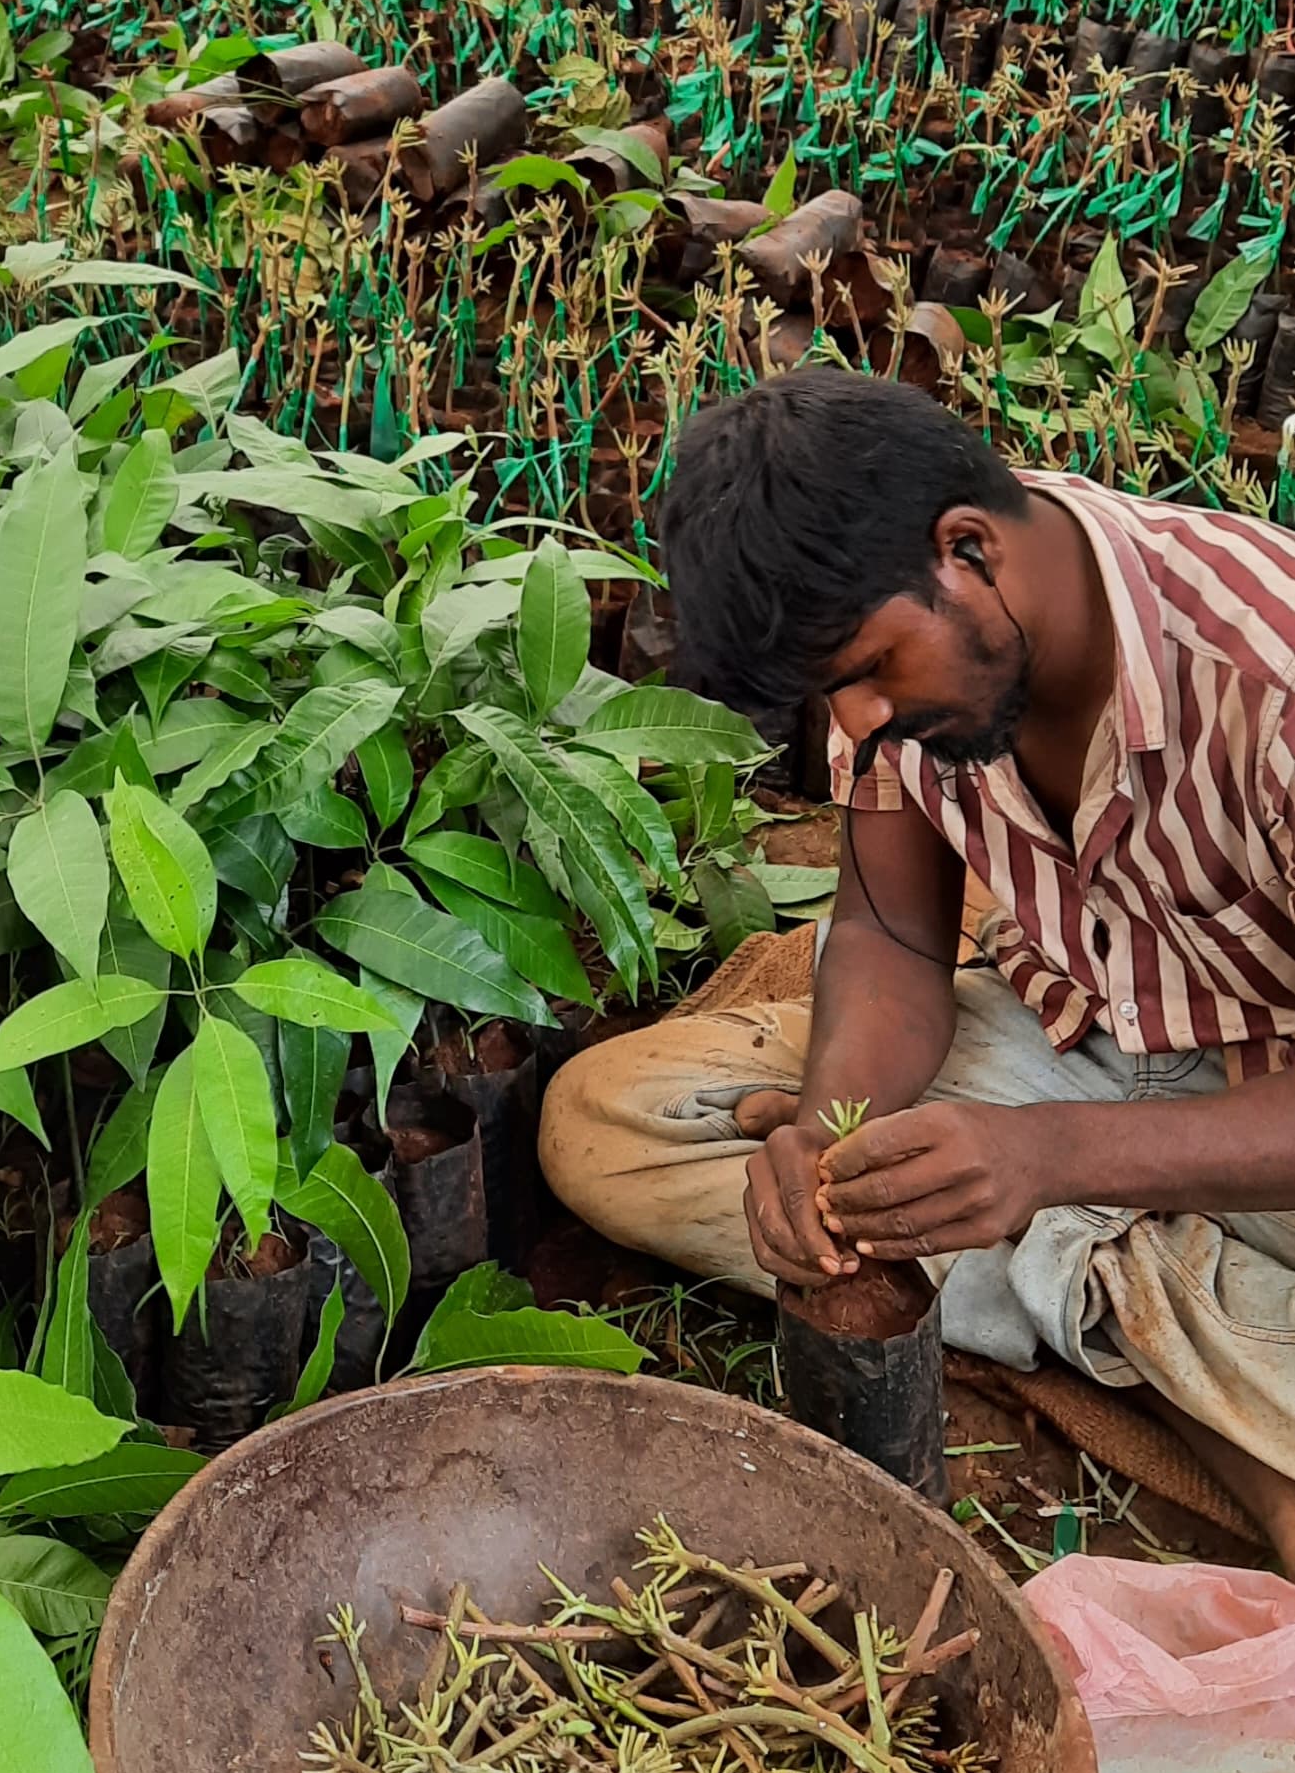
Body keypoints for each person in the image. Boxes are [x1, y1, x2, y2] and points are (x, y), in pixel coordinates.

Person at [539, 364, 1295, 1562]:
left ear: (968, 550)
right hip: (1081, 1042)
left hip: (1265, 1124)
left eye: (868, 670)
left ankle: (1114, 1302)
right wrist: (833, 1133)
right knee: (606, 1115)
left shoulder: (1268, 674)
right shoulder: (927, 670)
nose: (851, 726)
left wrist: (1047, 1156)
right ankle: (1134, 1307)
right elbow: (892, 935)